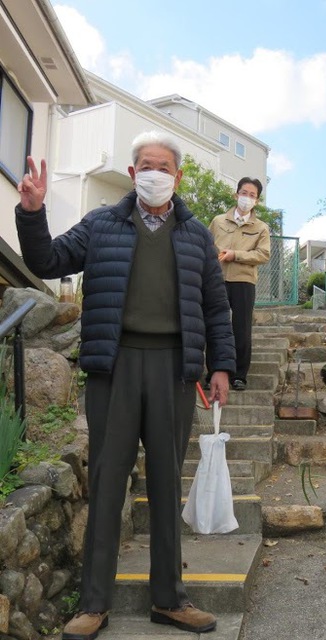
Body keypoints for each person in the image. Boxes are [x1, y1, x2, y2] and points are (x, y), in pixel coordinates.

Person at [15, 131, 235, 640]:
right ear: (133, 174)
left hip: (174, 368)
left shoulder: (197, 234)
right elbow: (47, 262)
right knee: (108, 483)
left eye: (164, 166)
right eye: (145, 165)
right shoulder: (101, 224)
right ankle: (94, 602)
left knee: (164, 483)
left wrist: (220, 365)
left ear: (177, 176)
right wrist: (31, 213)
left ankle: (169, 599)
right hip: (113, 367)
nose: (154, 173)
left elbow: (215, 306)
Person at [209, 178, 270, 391]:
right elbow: (207, 247)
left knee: (241, 328)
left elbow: (263, 254)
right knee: (217, 326)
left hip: (244, 281)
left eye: (252, 195)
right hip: (217, 280)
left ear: (257, 201)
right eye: (244, 193)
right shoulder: (218, 221)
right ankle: (214, 371)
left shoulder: (261, 227)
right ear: (236, 195)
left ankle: (239, 375)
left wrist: (235, 254)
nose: (247, 198)